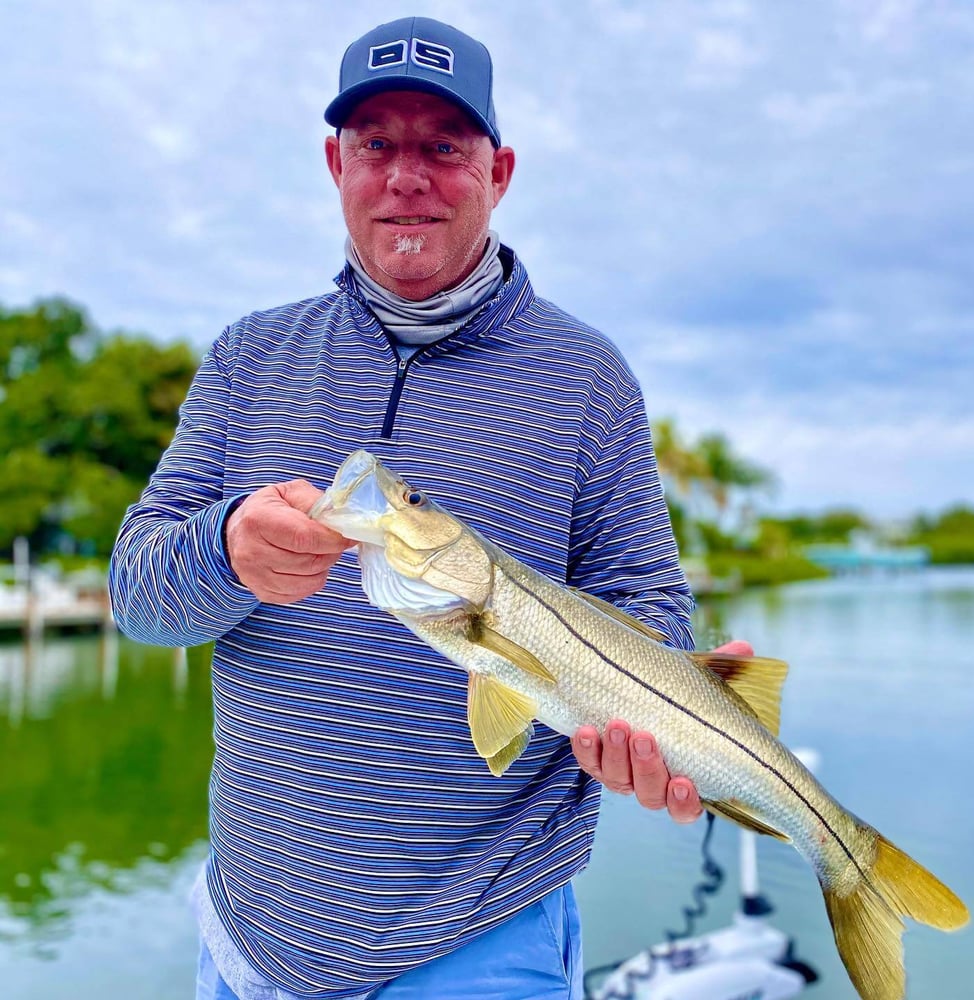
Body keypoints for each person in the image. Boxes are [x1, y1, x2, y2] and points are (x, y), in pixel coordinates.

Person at [110, 16, 745, 1000]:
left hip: (483, 947)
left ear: (501, 171)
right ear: (335, 163)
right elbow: (137, 602)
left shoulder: (589, 378)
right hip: (249, 944)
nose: (407, 175)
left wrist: (652, 706)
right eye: (377, 144)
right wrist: (225, 549)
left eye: (444, 146)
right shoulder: (247, 357)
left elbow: (649, 604)